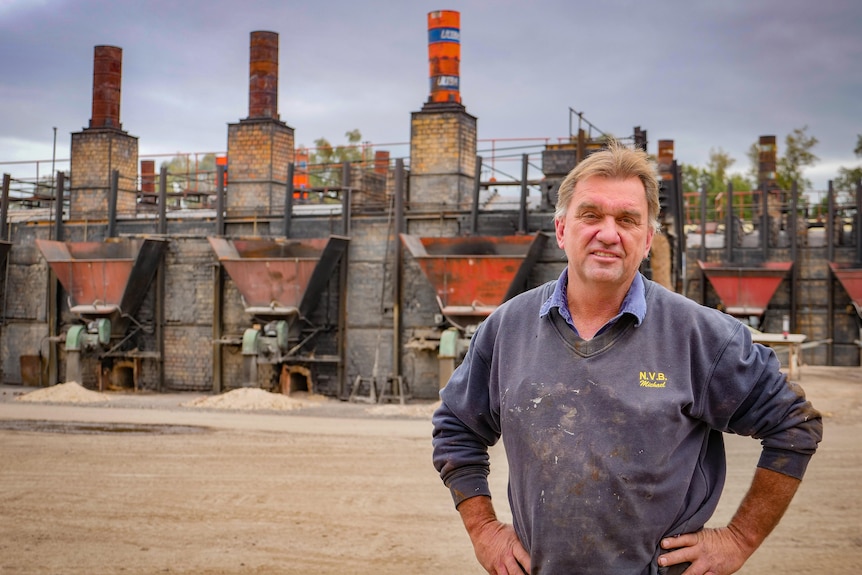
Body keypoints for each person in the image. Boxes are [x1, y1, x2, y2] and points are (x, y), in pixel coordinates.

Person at [431, 140, 822, 575]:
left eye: (628, 219)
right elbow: (455, 427)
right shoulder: (508, 329)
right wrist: (483, 529)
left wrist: (739, 539)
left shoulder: (697, 335)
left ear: (648, 238)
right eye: (591, 215)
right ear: (562, 230)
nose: (608, 233)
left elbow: (794, 423)